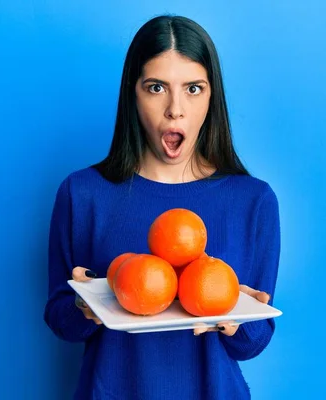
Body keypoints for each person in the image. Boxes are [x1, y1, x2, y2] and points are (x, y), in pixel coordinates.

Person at [43, 14, 281, 400]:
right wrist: (82, 305)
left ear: (211, 96)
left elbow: (254, 343)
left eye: (193, 88)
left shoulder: (253, 201)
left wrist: (238, 319)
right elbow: (60, 321)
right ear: (132, 95)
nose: (175, 109)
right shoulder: (82, 194)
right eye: (156, 87)